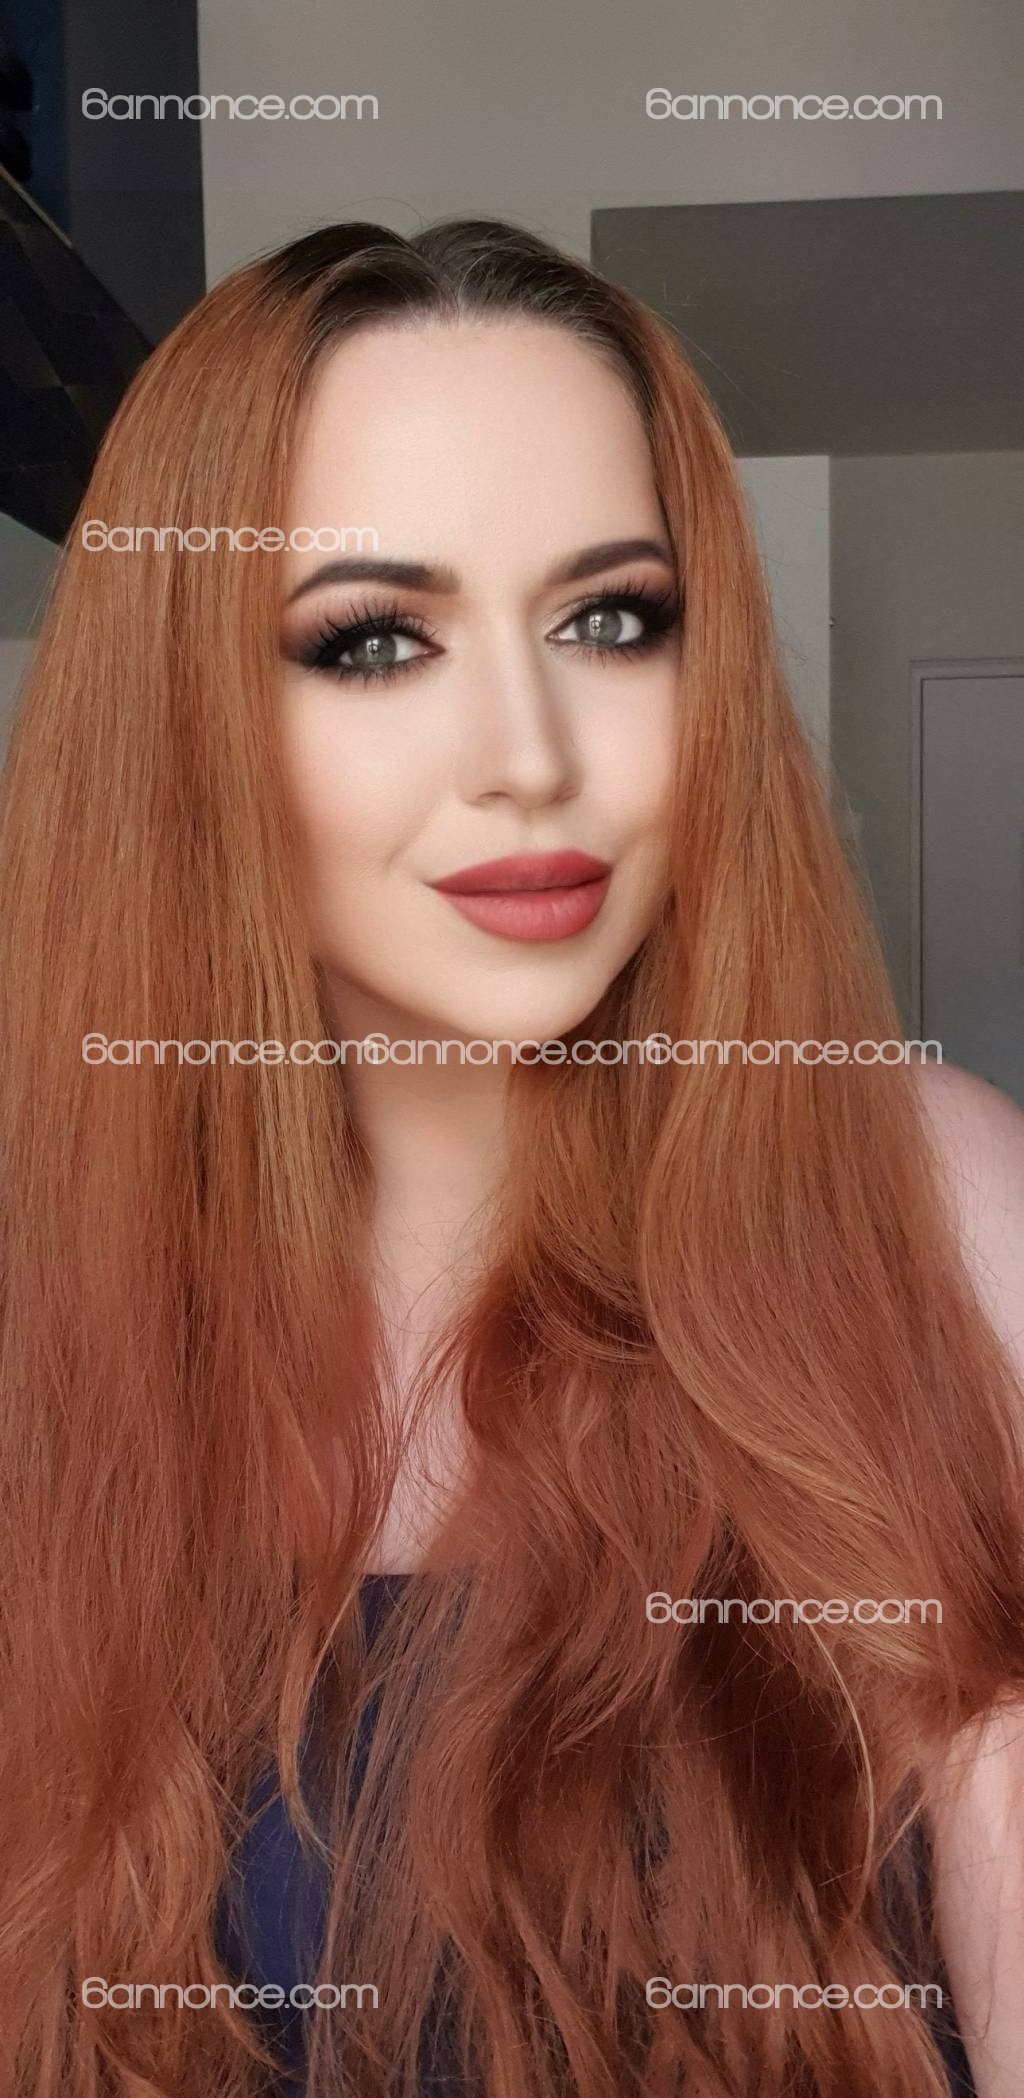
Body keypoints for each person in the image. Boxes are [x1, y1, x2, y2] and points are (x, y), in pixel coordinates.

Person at [1, 216, 1023, 2098]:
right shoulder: (41, 1307)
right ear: (190, 717)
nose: (530, 754)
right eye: (375, 640)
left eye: (609, 619)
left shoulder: (933, 1206)